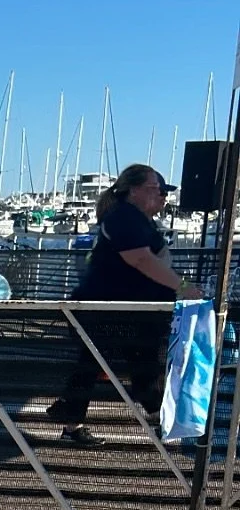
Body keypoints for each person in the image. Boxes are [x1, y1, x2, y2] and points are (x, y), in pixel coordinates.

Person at [45, 164, 204, 447]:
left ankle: (73, 419)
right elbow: (141, 260)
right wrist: (182, 287)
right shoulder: (124, 218)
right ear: (134, 191)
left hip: (122, 309)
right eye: (158, 190)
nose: (163, 197)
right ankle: (160, 422)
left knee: (114, 363)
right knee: (134, 362)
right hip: (107, 310)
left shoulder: (137, 220)